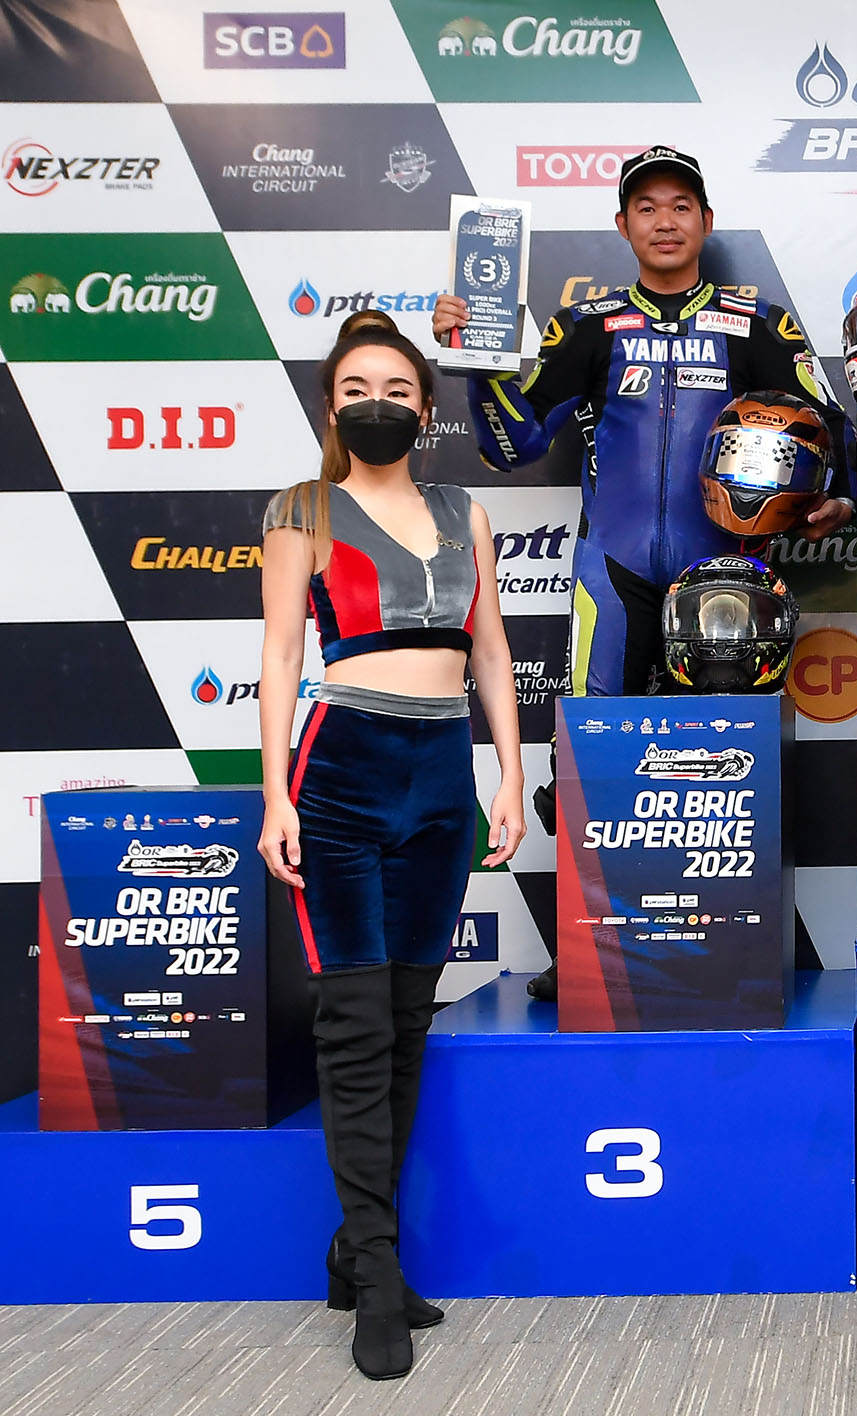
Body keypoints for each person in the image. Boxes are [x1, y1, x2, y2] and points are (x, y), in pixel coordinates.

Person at [433, 144, 852, 1001]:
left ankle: (743, 944)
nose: (665, 221)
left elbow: (827, 427)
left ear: (707, 220)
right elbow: (512, 445)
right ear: (623, 225)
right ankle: (589, 949)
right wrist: (477, 364)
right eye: (648, 208)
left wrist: (836, 497)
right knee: (593, 759)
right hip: (613, 571)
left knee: (728, 764)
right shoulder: (587, 326)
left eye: (681, 206)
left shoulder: (758, 323)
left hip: (727, 573)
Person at [258, 310, 525, 1381]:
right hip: (339, 771)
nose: (380, 403)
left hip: (441, 773)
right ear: (332, 407)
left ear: (426, 407)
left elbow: (491, 650)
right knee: (357, 1023)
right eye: (358, 387)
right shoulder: (302, 509)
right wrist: (275, 796)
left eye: (399, 388)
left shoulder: (465, 511)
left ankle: (355, 1248)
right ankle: (377, 1274)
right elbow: (280, 656)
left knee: (408, 1017)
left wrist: (510, 776)